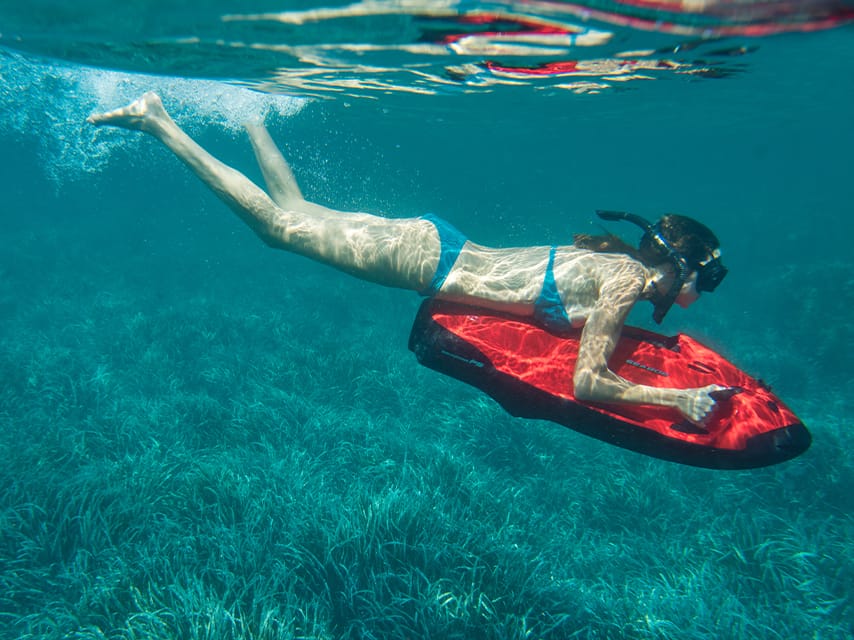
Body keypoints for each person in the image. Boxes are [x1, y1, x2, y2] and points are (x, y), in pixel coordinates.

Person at [88, 92, 728, 424]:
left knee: (297, 207)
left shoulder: (618, 269)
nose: (707, 288)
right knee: (276, 227)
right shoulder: (624, 281)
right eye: (709, 276)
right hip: (427, 264)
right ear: (680, 264)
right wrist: (678, 401)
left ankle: (251, 116)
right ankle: (158, 122)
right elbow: (588, 382)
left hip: (437, 243)